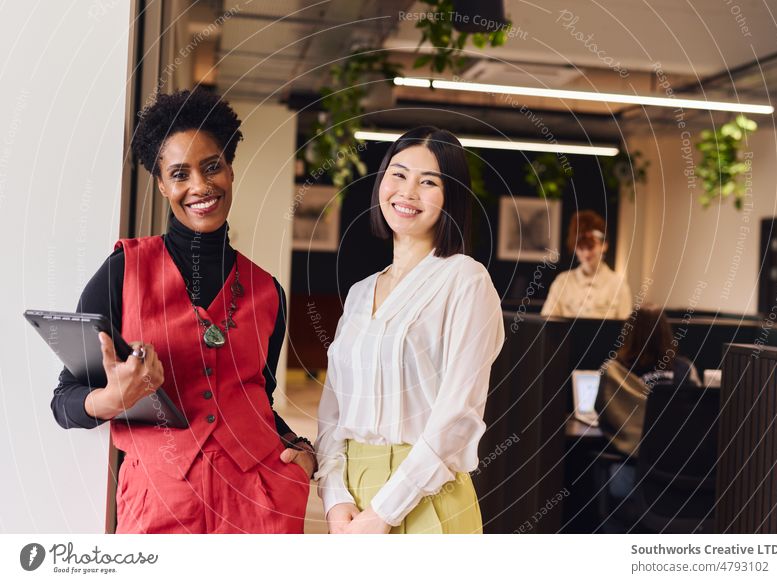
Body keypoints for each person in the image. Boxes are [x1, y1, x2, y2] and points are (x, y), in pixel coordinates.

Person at [50, 89, 313, 534]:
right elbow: (64, 401)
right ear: (161, 184)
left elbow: (257, 399)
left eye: (212, 166)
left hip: (258, 507)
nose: (200, 186)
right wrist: (112, 398)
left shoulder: (268, 290)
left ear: (230, 168)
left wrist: (302, 454)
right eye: (180, 174)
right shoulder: (122, 273)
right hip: (159, 504)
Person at [314, 126, 505, 534]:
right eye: (398, 174)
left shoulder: (465, 281)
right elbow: (333, 410)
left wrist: (384, 512)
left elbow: (458, 415)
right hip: (353, 495)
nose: (408, 191)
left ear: (451, 196)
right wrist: (335, 497)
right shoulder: (360, 293)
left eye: (429, 181)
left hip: (426, 500)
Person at [594, 304, 700, 496]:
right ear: (666, 333)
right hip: (681, 482)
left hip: (630, 477)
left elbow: (602, 413)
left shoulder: (615, 372)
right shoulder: (686, 371)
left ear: (629, 333)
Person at [541, 210, 632, 319]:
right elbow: (548, 323)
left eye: (590, 246)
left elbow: (627, 329)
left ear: (604, 245)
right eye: (581, 247)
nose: (586, 253)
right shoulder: (562, 282)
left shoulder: (618, 285)